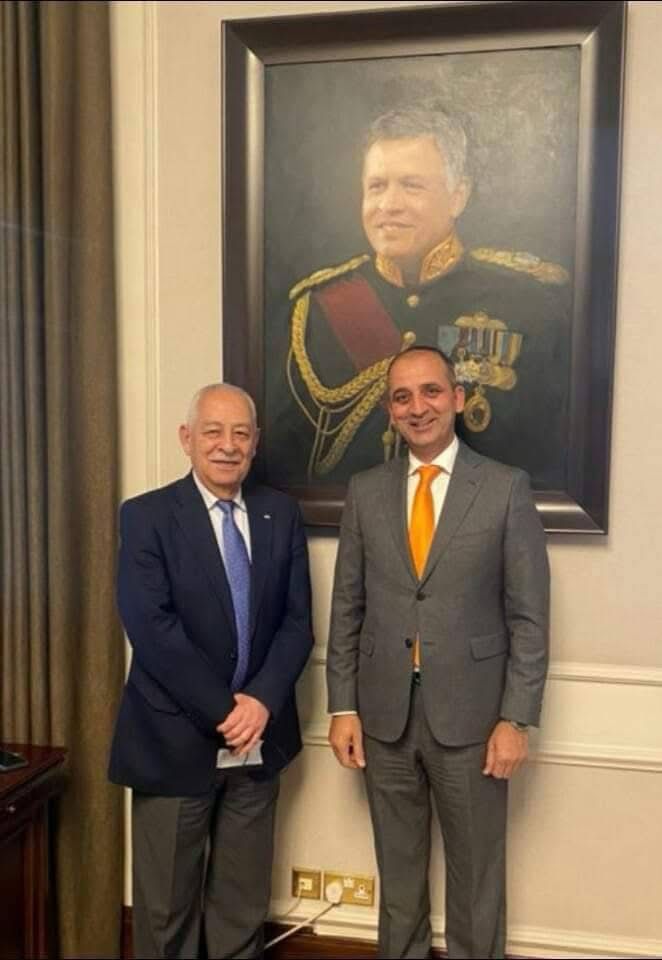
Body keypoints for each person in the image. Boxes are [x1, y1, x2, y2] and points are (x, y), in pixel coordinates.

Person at [326, 346, 550, 960]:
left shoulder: (504, 488)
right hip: (384, 718)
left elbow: (529, 619)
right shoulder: (366, 491)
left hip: (475, 723)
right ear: (389, 410)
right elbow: (347, 606)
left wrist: (516, 718)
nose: (417, 407)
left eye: (430, 392)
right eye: (402, 397)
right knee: (398, 881)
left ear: (457, 397)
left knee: (477, 882)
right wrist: (342, 706)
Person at [108, 383, 313, 959]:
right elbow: (152, 630)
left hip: (258, 745)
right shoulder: (147, 516)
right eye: (213, 432)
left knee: (241, 908)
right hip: (173, 742)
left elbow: (297, 623)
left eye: (240, 433)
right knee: (165, 913)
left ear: (255, 442)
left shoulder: (280, 514)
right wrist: (227, 712)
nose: (228, 445)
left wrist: (260, 703)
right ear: (187, 438)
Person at [277, 103, 570, 490]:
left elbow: (546, 454)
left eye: (411, 185)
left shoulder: (525, 303)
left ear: (458, 196)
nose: (388, 205)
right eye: (376, 186)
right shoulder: (316, 308)